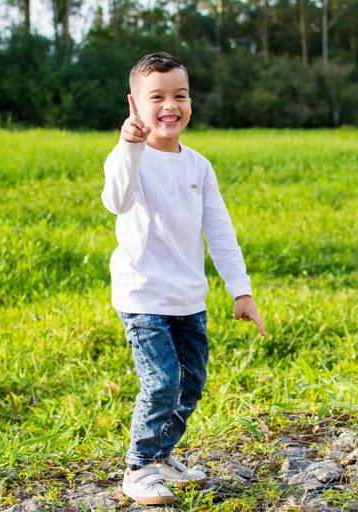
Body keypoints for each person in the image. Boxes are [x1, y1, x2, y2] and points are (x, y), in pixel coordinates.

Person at [101, 51, 266, 506]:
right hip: (143, 295)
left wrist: (242, 290)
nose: (170, 105)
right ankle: (137, 468)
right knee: (161, 383)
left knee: (190, 384)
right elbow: (115, 199)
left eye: (180, 95)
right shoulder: (128, 158)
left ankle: (162, 454)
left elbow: (220, 231)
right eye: (157, 97)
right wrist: (129, 146)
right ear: (134, 104)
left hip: (189, 297)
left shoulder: (198, 166)